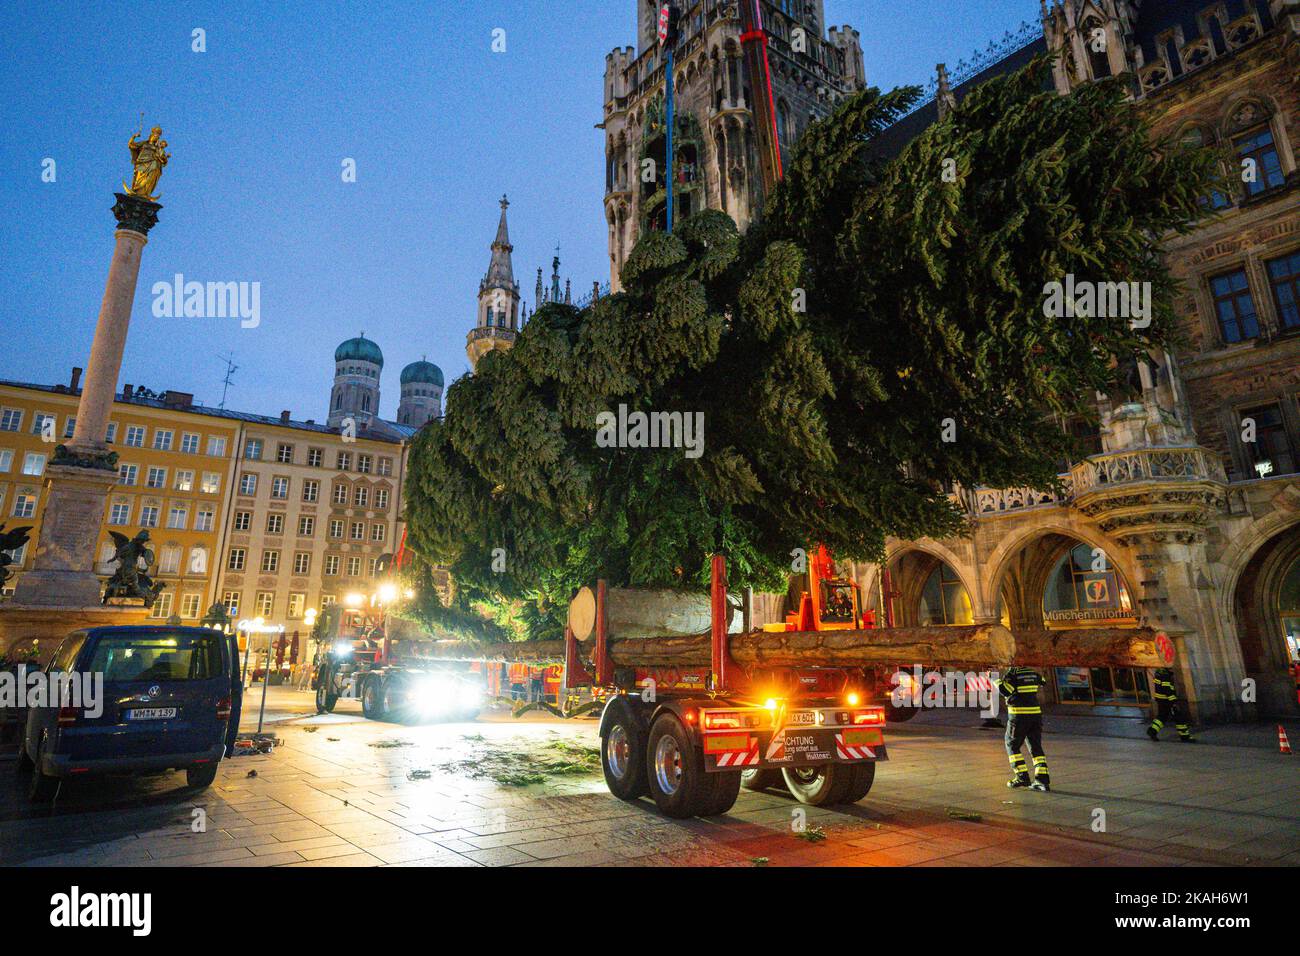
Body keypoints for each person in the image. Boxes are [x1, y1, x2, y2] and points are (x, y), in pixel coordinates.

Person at [998, 665, 1050, 792]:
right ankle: (1042, 781)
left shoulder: (1012, 673)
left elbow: (1006, 691)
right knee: (1035, 747)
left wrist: (996, 680)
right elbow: (1043, 682)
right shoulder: (1032, 672)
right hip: (1035, 715)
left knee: (1012, 745)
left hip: (1019, 715)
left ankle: (1022, 777)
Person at [1147, 667, 1195, 742]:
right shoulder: (1165, 676)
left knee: (1162, 717)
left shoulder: (1159, 673)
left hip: (1161, 700)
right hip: (1167, 701)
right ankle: (1185, 736)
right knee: (1179, 717)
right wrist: (1174, 702)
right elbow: (1168, 690)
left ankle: (1152, 731)